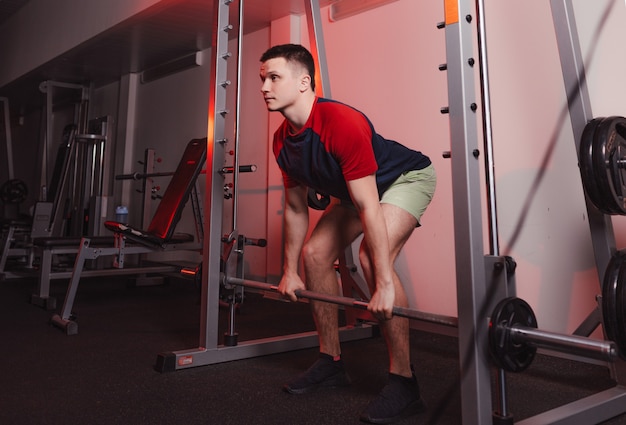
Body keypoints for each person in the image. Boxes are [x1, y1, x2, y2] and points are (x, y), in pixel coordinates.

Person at [259, 44, 436, 424]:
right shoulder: (281, 141)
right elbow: (294, 208)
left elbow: (370, 206)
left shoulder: (340, 122)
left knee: (373, 258)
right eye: (263, 79)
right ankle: (331, 362)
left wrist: (384, 283)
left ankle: (405, 383)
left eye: (274, 77)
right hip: (358, 191)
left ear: (303, 82)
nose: (265, 87)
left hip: (403, 180)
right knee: (314, 256)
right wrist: (288, 271)